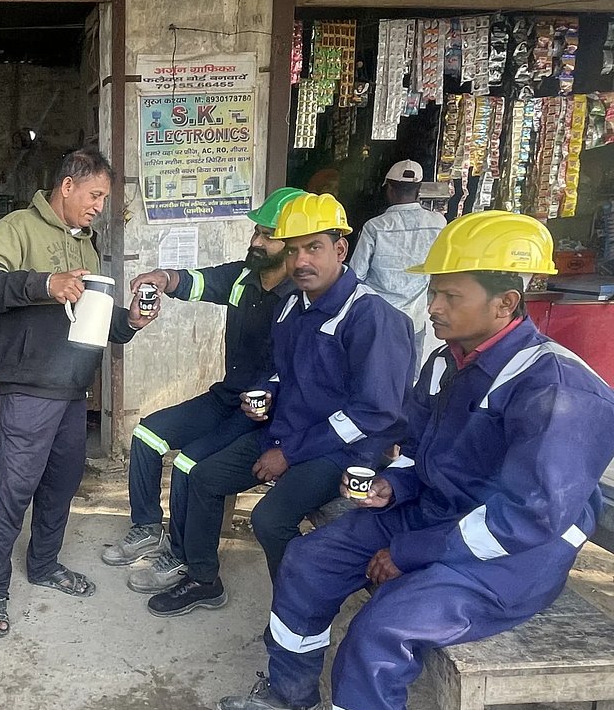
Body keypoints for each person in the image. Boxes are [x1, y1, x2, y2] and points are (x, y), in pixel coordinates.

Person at [215, 211, 614, 710]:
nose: (432, 306)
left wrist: (408, 550)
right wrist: (391, 486)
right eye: (433, 291)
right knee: (311, 560)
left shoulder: (557, 388)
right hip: (433, 517)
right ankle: (291, 694)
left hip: (510, 559)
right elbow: (414, 450)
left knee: (380, 633)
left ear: (505, 302)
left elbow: (524, 519)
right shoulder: (445, 363)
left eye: (450, 295)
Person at [145, 193, 416, 616]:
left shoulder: (371, 317)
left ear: (340, 249)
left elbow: (374, 413)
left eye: (314, 248)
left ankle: (298, 608)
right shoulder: (293, 303)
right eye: (293, 250)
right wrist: (267, 392)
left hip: (343, 450)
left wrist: (289, 453)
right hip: (287, 433)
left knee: (269, 520)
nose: (301, 261)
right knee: (201, 475)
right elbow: (282, 369)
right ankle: (202, 578)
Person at [0, 146, 159, 639]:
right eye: (95, 195)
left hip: (73, 388)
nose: (100, 206)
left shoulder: (87, 245)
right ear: (67, 185)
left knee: (62, 482)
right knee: (14, 487)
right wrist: (45, 283)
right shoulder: (17, 228)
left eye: (104, 198)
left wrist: (129, 322)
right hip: (29, 386)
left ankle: (45, 564)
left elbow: (92, 317)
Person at [103, 187, 304, 585]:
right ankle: (147, 527)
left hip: (265, 414)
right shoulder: (243, 278)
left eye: (268, 235)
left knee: (187, 463)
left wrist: (270, 394)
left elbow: (301, 370)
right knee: (147, 434)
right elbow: (198, 281)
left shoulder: (301, 298)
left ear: (294, 246)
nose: (257, 242)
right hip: (227, 397)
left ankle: (180, 556)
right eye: (256, 233)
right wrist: (162, 278)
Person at [349, 159, 447, 354]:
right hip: (417, 317)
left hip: (379, 318)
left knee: (375, 371)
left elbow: (355, 275)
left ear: (390, 190)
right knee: (411, 376)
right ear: (418, 191)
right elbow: (443, 269)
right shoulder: (439, 223)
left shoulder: (375, 226)